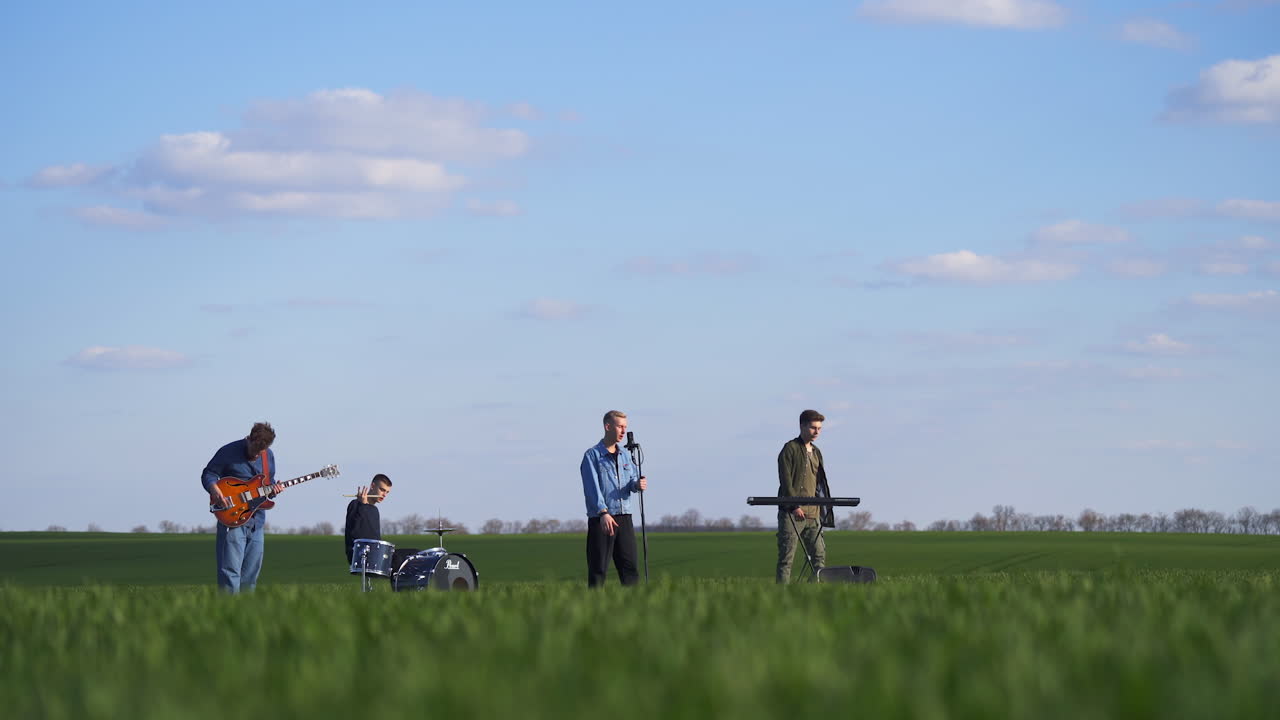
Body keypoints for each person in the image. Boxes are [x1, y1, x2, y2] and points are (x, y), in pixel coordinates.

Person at [201, 422, 281, 593]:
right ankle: (228, 613)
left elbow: (268, 485)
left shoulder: (268, 456)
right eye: (255, 451)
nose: (257, 455)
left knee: (250, 577)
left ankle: (245, 613)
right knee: (230, 574)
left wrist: (274, 490)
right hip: (232, 521)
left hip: (257, 522)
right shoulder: (228, 451)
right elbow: (208, 474)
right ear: (249, 439)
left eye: (261, 452)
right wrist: (214, 490)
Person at [580, 410, 649, 587]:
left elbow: (631, 481)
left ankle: (634, 610)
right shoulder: (592, 456)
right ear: (608, 426)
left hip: (624, 517)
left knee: (630, 569)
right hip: (602, 519)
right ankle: (594, 611)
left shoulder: (626, 455)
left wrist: (637, 485)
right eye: (620, 426)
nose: (623, 431)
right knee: (598, 570)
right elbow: (592, 488)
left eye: (625, 427)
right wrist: (603, 512)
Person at [776, 409, 833, 584]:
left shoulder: (817, 452)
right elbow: (785, 479)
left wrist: (822, 508)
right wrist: (794, 506)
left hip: (813, 512)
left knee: (819, 557)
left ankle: (810, 592)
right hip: (792, 513)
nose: (817, 432)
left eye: (819, 428)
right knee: (787, 558)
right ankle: (781, 596)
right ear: (802, 426)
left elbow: (819, 483)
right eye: (813, 428)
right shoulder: (790, 449)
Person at [344, 474, 393, 565]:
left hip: (375, 555)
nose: (384, 495)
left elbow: (376, 538)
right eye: (382, 490)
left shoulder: (374, 510)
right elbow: (356, 533)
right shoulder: (355, 504)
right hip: (359, 556)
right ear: (372, 486)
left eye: (387, 492)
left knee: (411, 555)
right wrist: (363, 505)